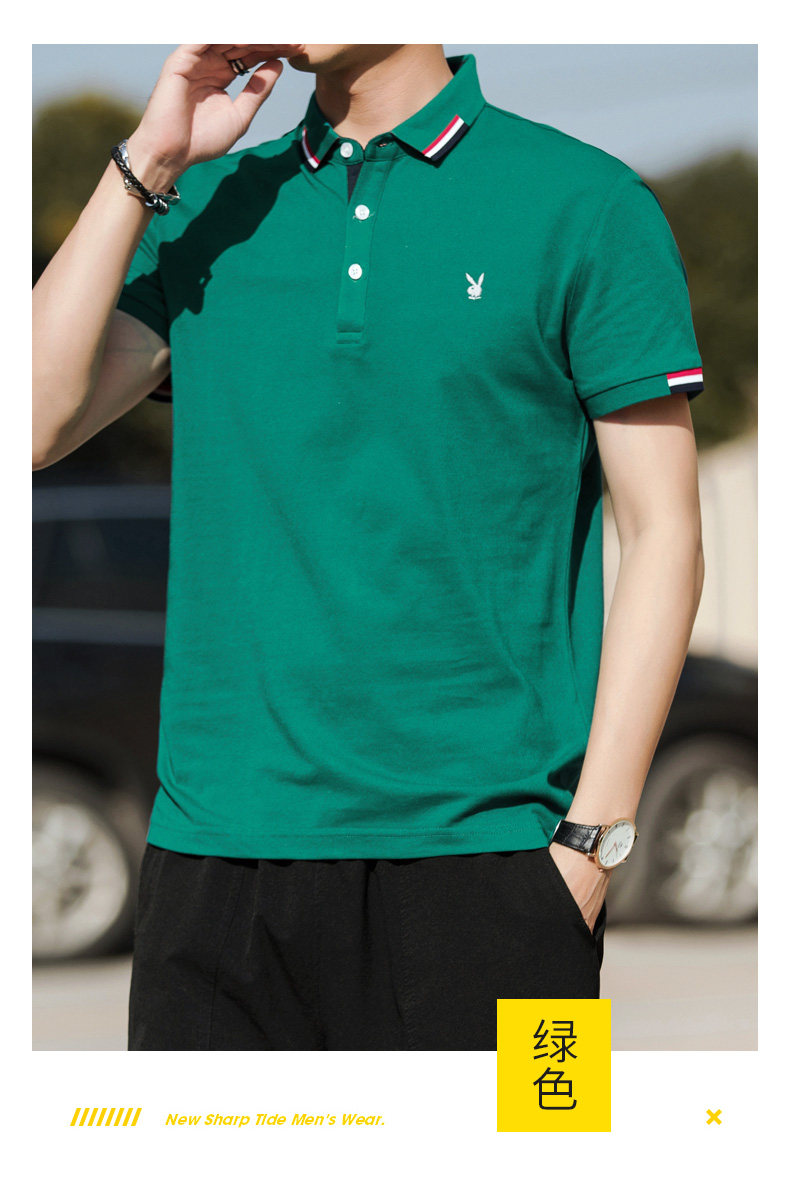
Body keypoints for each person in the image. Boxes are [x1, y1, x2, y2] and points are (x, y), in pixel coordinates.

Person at [32, 44, 706, 1051]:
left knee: (542, 1134)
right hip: (215, 865)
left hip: (498, 861)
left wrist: (591, 846)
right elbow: (32, 426)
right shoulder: (204, 206)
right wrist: (149, 160)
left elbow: (665, 535)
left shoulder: (586, 204)